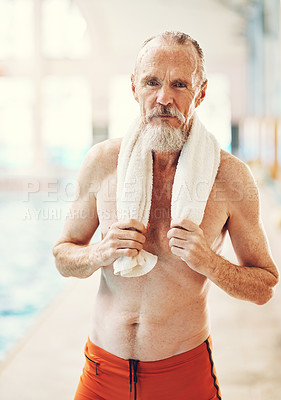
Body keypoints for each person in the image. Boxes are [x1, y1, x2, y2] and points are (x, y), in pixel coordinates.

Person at [53, 31, 279, 400]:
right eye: (152, 82)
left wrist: (209, 261)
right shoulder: (101, 163)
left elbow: (265, 285)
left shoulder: (230, 177)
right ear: (133, 87)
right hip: (101, 371)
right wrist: (99, 253)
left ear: (201, 93)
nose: (164, 98)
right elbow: (63, 255)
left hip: (183, 374)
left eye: (179, 84)